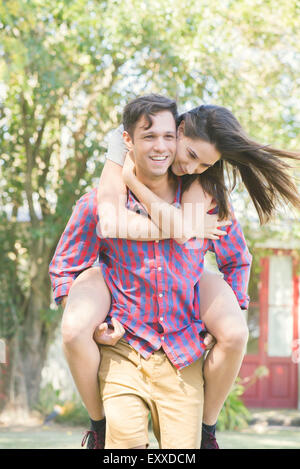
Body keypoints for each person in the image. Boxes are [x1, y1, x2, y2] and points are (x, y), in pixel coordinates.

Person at [49, 95, 253, 449]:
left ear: (176, 134)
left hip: (182, 350)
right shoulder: (101, 201)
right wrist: (91, 321)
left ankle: (208, 433)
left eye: (201, 163)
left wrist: (225, 313)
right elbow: (66, 267)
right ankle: (98, 429)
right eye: (151, 138)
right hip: (125, 347)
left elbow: (236, 260)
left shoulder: (209, 203)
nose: (189, 166)